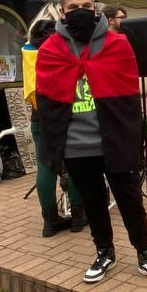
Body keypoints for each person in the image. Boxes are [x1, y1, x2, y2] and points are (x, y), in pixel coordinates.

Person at [35, 0, 147, 286]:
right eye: (73, 8)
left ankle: (145, 252)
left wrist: (136, 141)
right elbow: (46, 104)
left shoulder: (117, 45)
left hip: (114, 140)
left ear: (94, 8)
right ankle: (104, 251)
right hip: (76, 144)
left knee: (130, 200)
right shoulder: (51, 50)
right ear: (62, 11)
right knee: (94, 203)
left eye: (85, 7)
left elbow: (128, 103)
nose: (80, 12)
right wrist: (54, 149)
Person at [22, 16, 86, 237]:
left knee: (45, 168)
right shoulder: (62, 48)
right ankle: (78, 217)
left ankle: (49, 222)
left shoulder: (28, 51)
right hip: (66, 114)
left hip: (40, 117)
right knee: (76, 165)